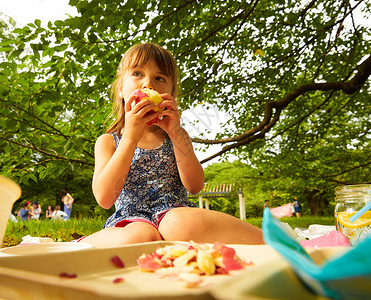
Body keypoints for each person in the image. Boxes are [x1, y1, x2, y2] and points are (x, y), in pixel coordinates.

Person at [80, 43, 263, 248]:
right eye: (138, 73)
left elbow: (194, 186)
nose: (148, 84)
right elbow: (104, 199)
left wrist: (176, 133)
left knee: (180, 224)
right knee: (140, 236)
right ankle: (79, 246)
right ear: (121, 88)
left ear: (171, 93)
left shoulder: (176, 136)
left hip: (177, 214)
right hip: (131, 221)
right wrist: (130, 137)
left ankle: (271, 240)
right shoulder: (108, 141)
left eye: (159, 78)